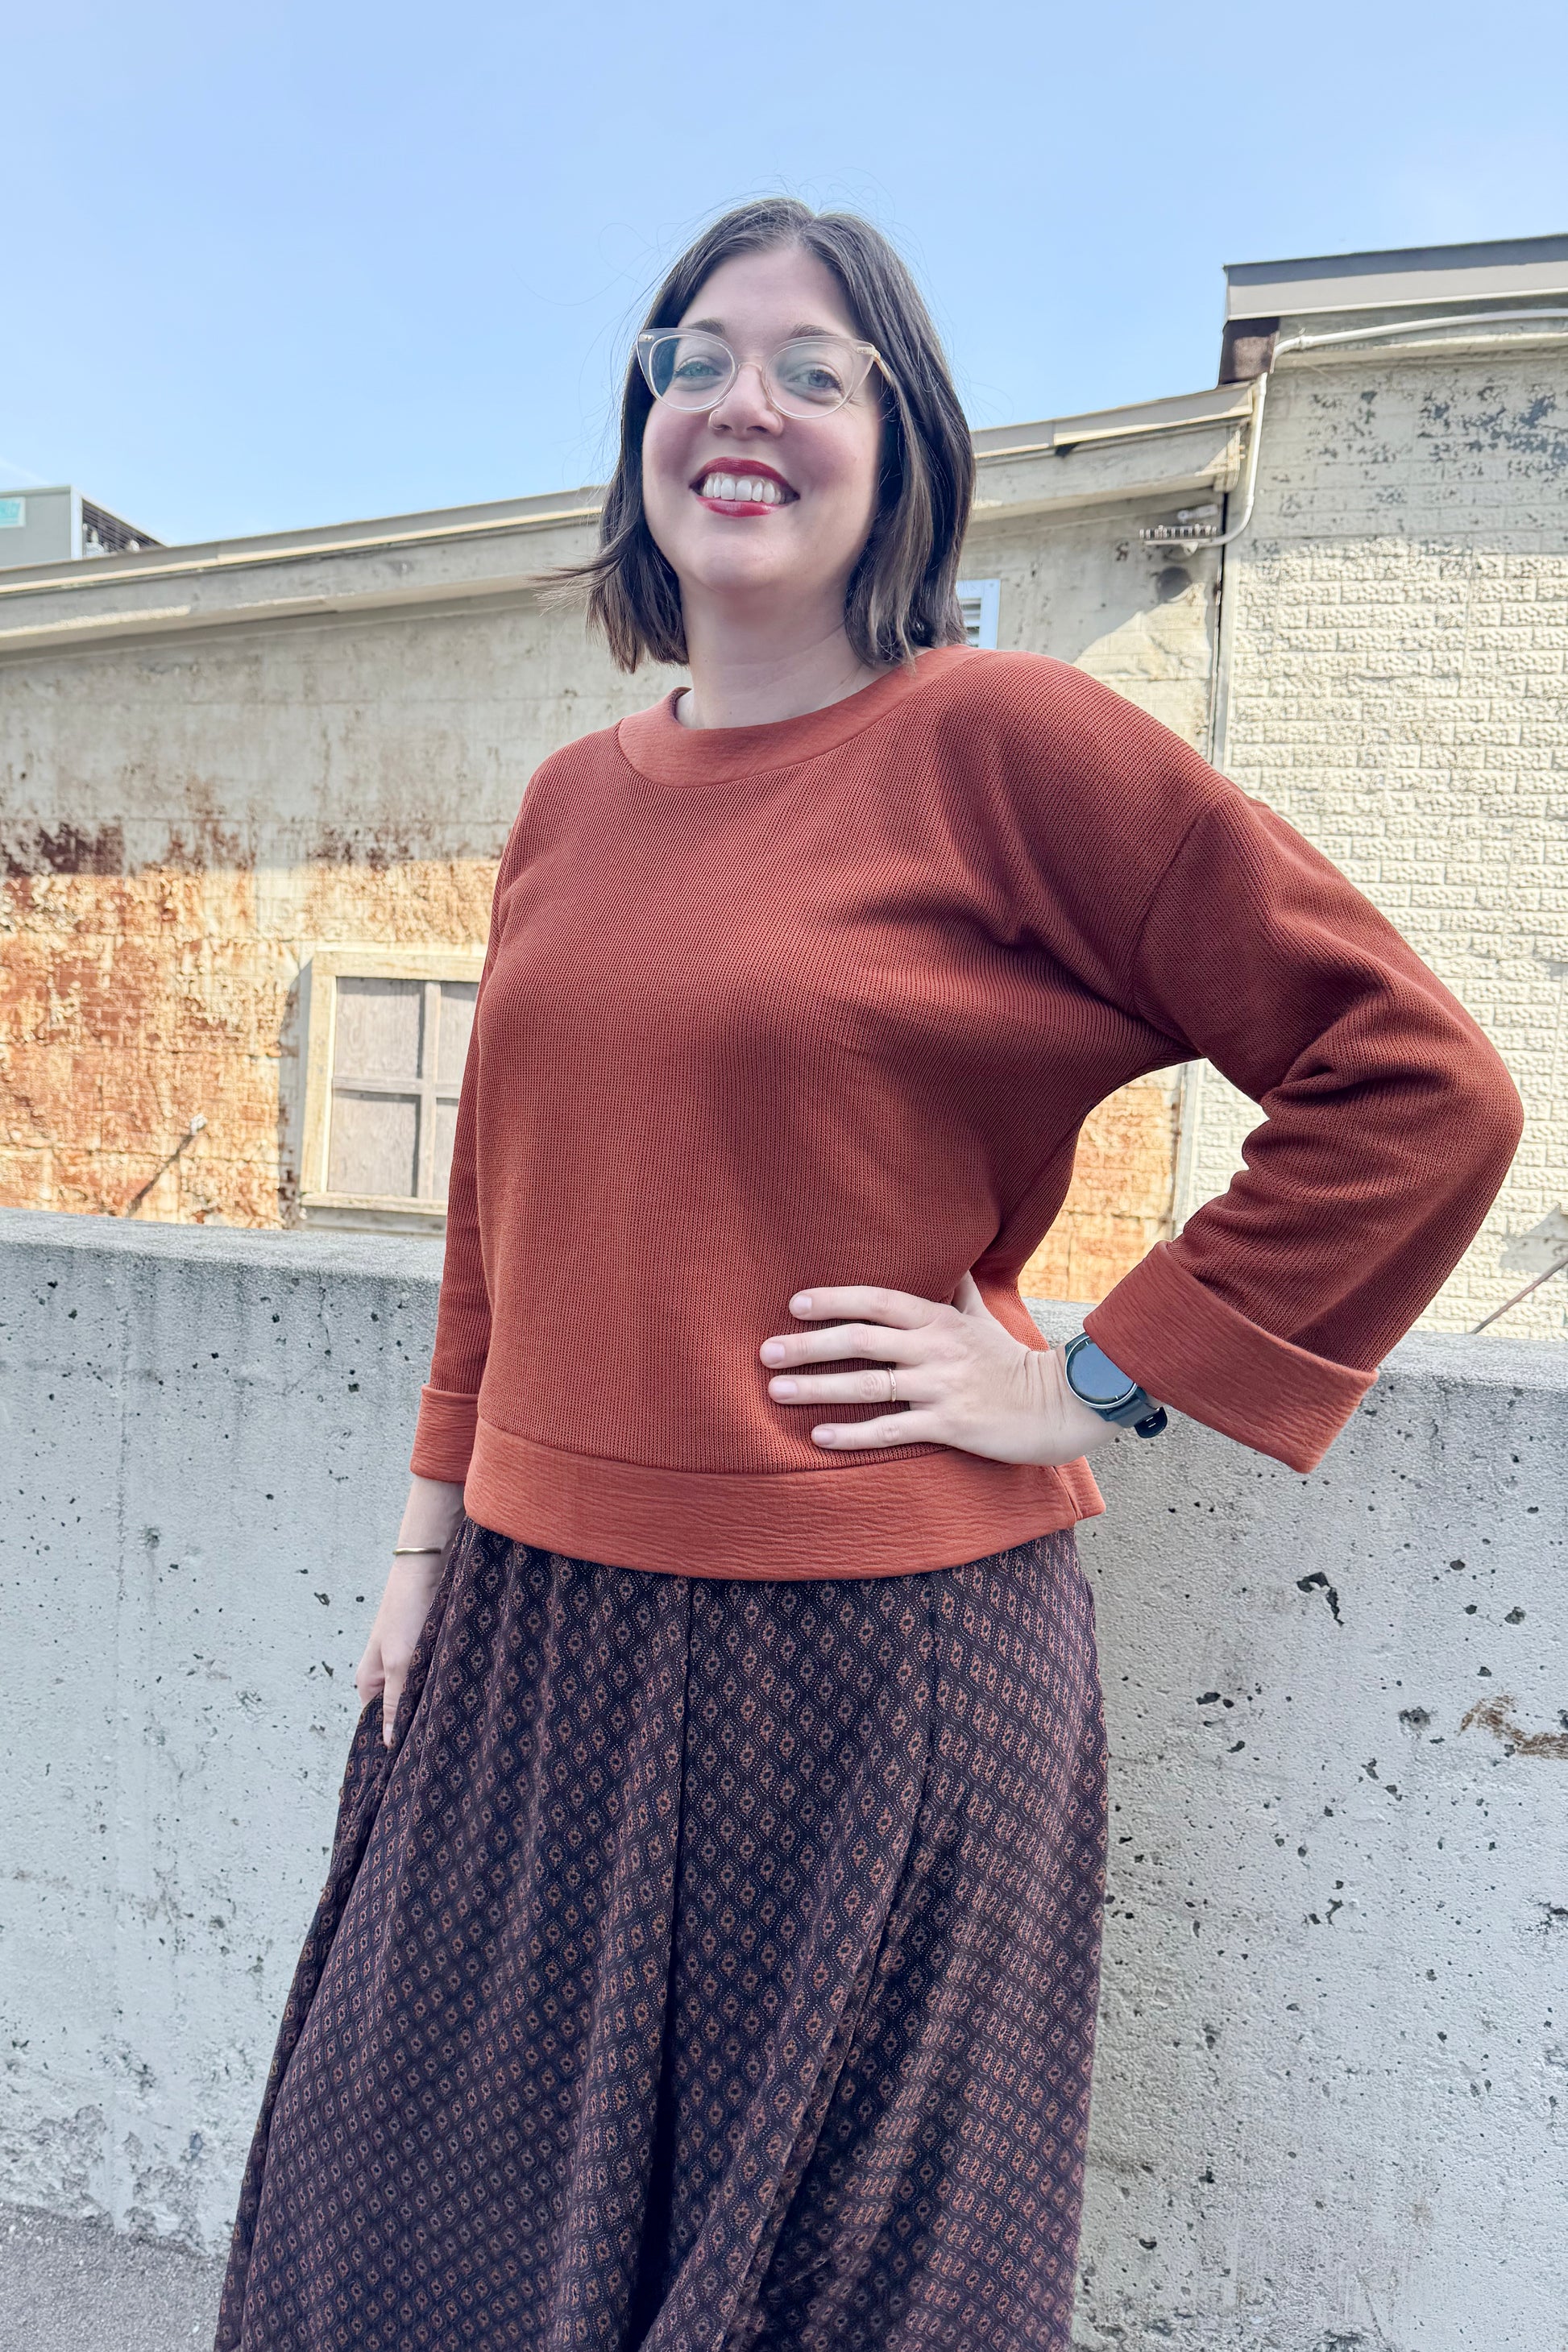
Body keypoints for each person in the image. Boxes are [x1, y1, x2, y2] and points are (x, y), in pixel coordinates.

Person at [216, 198, 1522, 2352]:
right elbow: (504, 1202)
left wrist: (1091, 1375)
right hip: (537, 1629)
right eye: (694, 356)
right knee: (413, 2236)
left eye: (814, 370)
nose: (743, 404)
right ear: (638, 421)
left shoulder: (1010, 744)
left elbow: (1413, 1086)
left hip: (871, 1664)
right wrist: (427, 1533)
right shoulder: (568, 801)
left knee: (824, 2294)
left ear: (900, 448)